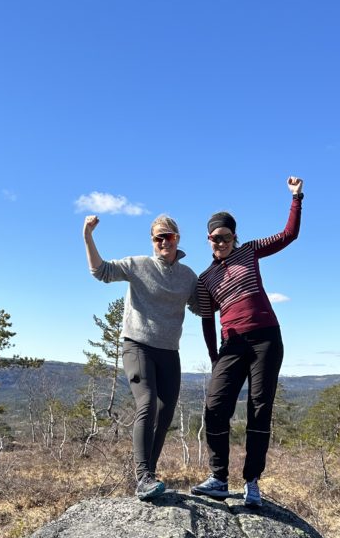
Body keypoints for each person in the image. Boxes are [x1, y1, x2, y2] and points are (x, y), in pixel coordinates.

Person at [191, 176, 304, 507]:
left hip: (266, 338)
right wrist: (214, 356)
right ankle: (218, 477)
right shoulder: (204, 279)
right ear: (208, 239)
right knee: (215, 407)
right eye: (215, 238)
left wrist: (296, 198)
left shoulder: (250, 251)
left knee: (259, 408)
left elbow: (288, 235)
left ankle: (252, 482)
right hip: (232, 343)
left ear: (234, 237)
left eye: (225, 236)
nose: (220, 242)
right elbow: (206, 319)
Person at [83, 212, 198, 500]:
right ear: (152, 241)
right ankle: (142, 475)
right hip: (138, 345)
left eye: (169, 236)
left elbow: (203, 306)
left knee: (166, 412)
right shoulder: (138, 265)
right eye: (159, 238)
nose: (164, 242)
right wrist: (88, 236)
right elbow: (100, 271)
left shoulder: (188, 277)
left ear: (177, 238)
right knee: (147, 402)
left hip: (169, 351)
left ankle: (151, 475)